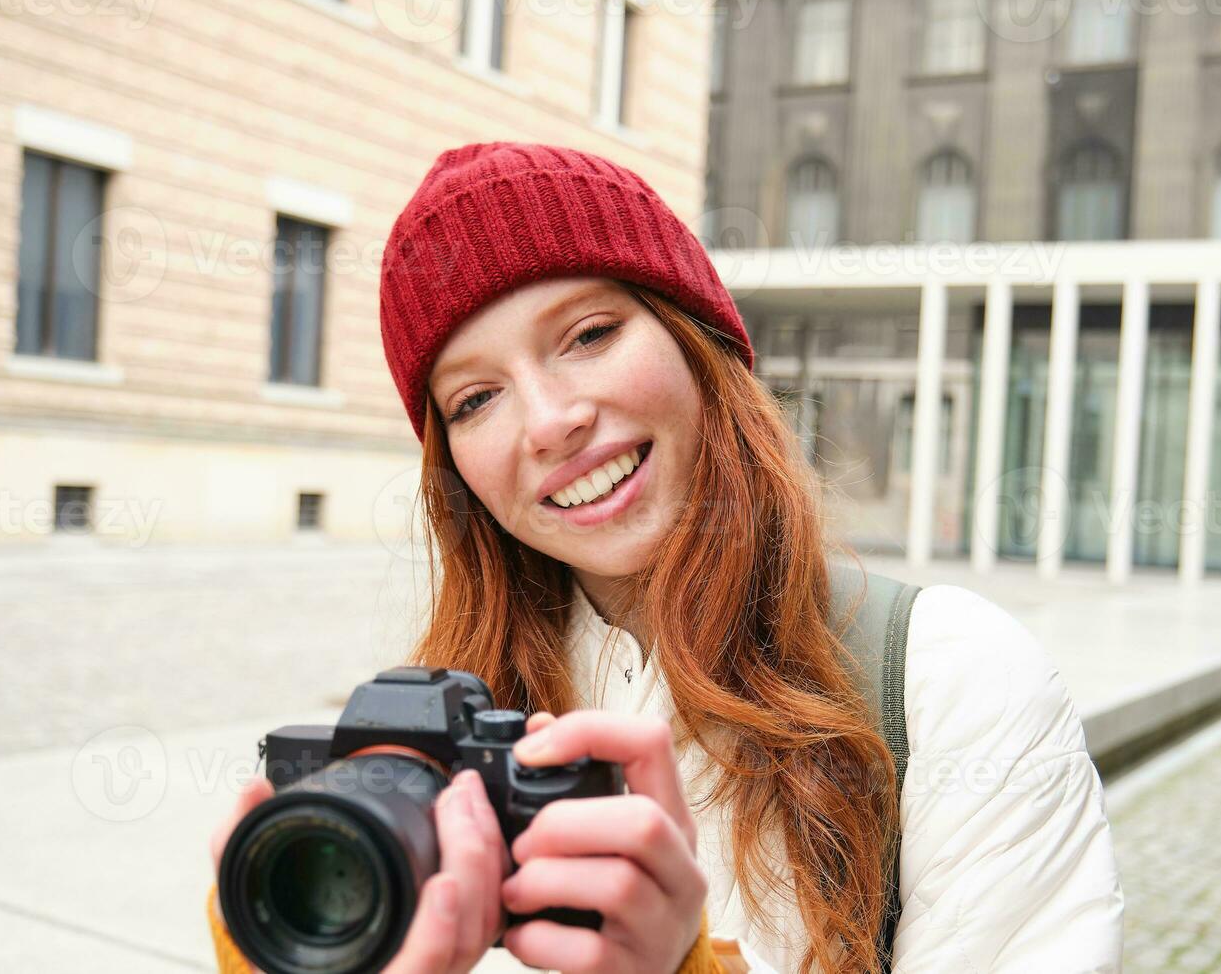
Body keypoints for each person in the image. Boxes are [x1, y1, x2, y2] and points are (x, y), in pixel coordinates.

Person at [208, 142, 1123, 974]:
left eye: (589, 334)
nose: (549, 420)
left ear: (700, 345)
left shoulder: (951, 683)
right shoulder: (432, 753)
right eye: (477, 398)